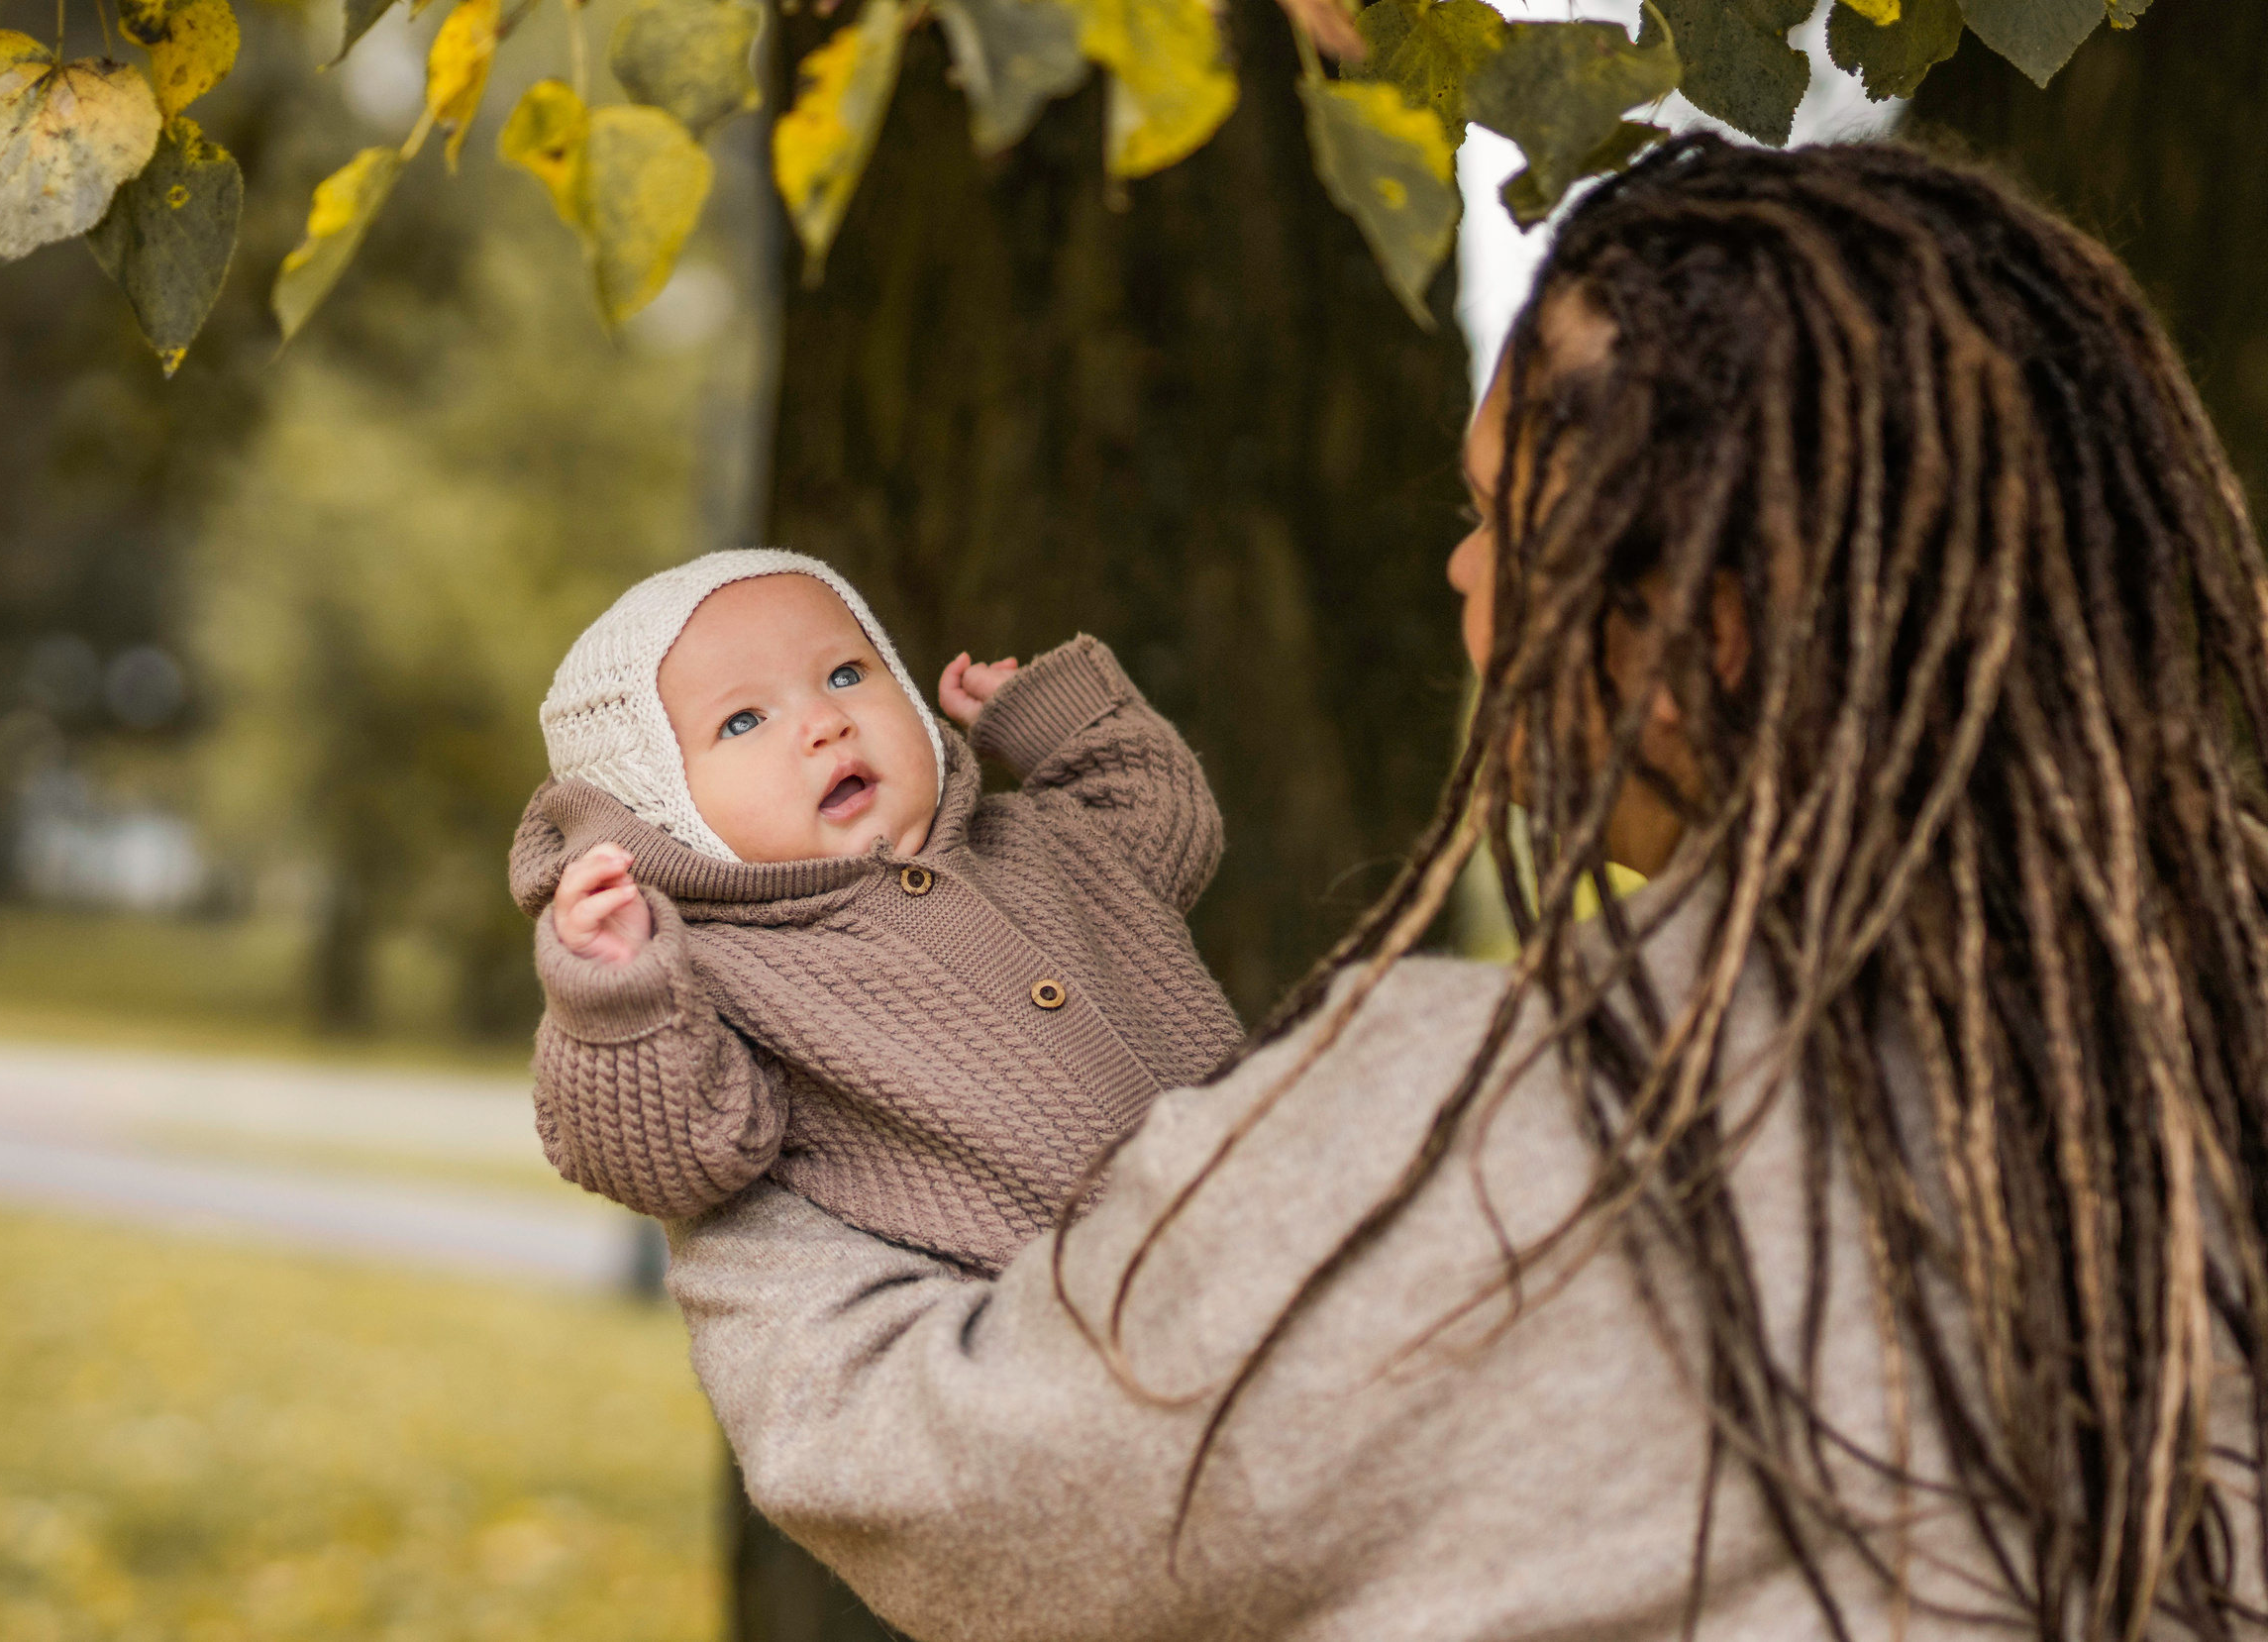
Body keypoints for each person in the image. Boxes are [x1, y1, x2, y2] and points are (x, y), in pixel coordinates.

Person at [662, 137, 2268, 1642]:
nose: (1458, 573)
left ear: (1709, 615)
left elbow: (944, 1472)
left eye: (1502, 517)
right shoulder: (2210, 988)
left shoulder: (1464, 1144)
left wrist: (720, 1107)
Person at [508, 549, 1242, 1277]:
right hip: (1073, 1320)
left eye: (846, 675)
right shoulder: (718, 977)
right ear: (654, 810)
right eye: (743, 721)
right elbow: (676, 1153)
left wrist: (1056, 720)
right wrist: (619, 997)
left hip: (1272, 1207)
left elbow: (1161, 818)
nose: (826, 721)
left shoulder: (1031, 841)